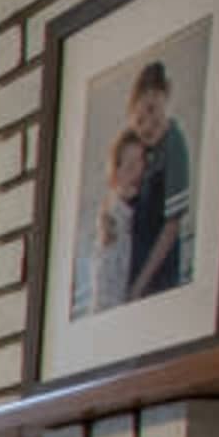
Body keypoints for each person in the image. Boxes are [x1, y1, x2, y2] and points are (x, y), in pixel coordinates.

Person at [123, 63, 192, 299]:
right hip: (138, 266)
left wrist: (139, 285)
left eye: (152, 110)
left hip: (158, 276)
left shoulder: (174, 145)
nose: (147, 125)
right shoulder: (146, 151)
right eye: (139, 121)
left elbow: (172, 227)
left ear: (167, 95)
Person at [73, 129, 145, 319]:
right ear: (115, 174)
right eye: (129, 167)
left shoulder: (134, 211)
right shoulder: (112, 219)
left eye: (141, 163)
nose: (137, 172)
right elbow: (105, 285)